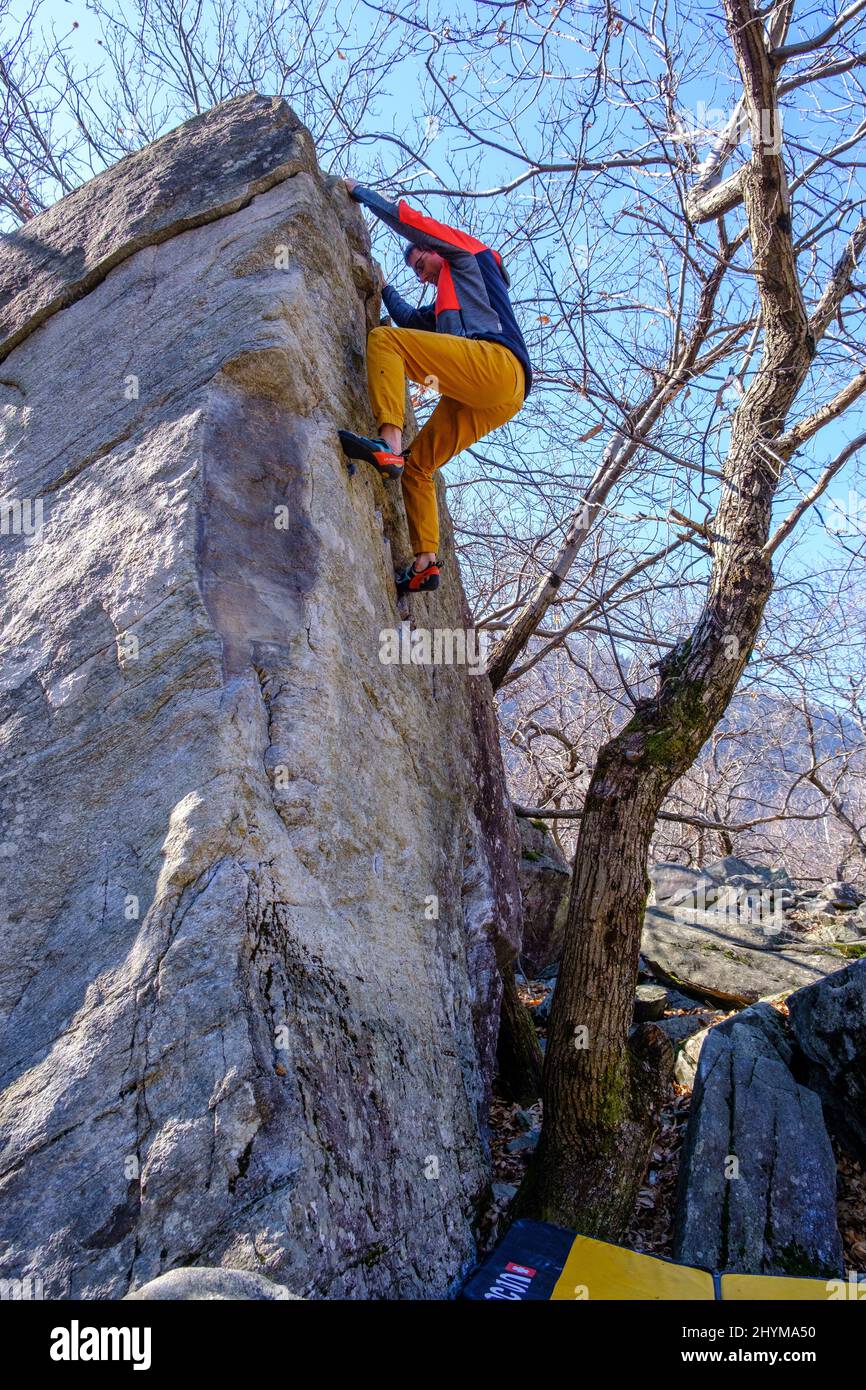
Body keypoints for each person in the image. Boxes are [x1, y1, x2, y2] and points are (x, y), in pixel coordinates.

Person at [338, 177, 533, 596]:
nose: (421, 276)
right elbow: (412, 323)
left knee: (383, 340)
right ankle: (426, 564)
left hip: (497, 365)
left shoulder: (470, 257)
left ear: (435, 252)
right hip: (497, 397)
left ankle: (386, 447)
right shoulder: (449, 305)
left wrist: (363, 194)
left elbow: (414, 224)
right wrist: (384, 286)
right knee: (420, 467)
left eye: (421, 266)